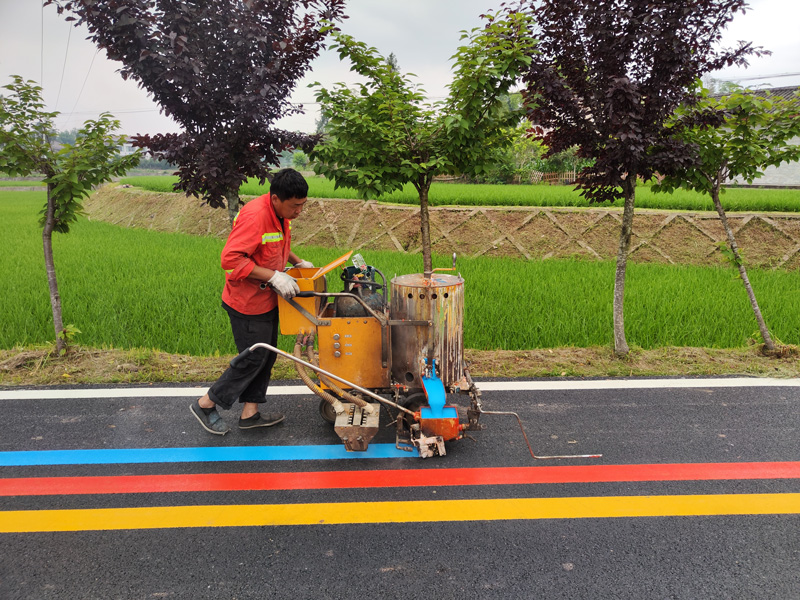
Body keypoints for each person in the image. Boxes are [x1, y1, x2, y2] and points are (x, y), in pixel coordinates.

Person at [190, 168, 314, 435]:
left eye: (302, 206)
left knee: (266, 357)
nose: (298, 212)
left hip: (267, 299)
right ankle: (206, 403)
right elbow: (230, 259)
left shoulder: (279, 214)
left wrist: (297, 262)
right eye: (295, 206)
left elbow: (275, 244)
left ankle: (250, 414)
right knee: (251, 358)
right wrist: (273, 277)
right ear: (276, 198)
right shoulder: (255, 217)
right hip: (246, 302)